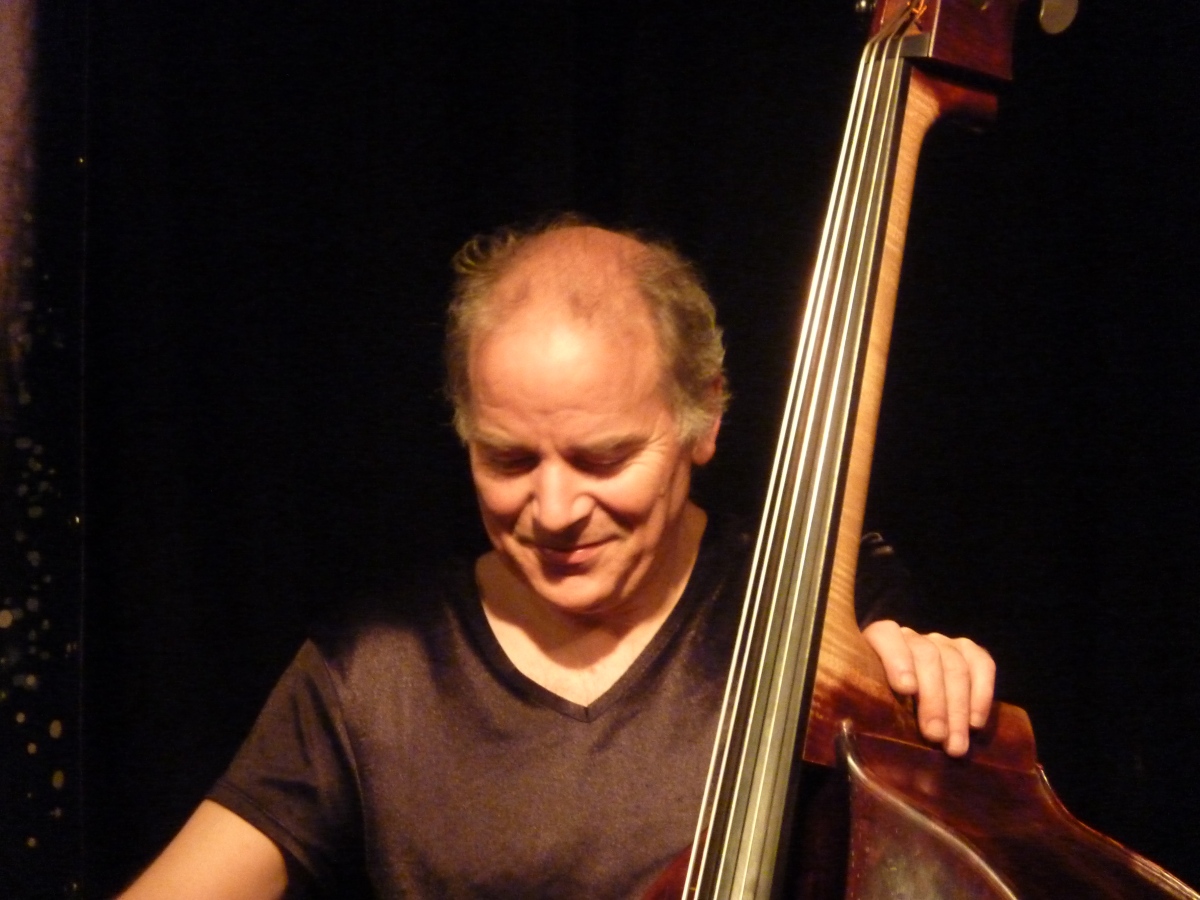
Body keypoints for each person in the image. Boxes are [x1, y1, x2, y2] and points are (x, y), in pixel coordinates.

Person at [119, 220, 995, 899]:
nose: (554, 511)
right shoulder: (379, 672)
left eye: (603, 459)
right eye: (508, 460)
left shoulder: (830, 621)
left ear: (705, 419)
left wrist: (931, 698)